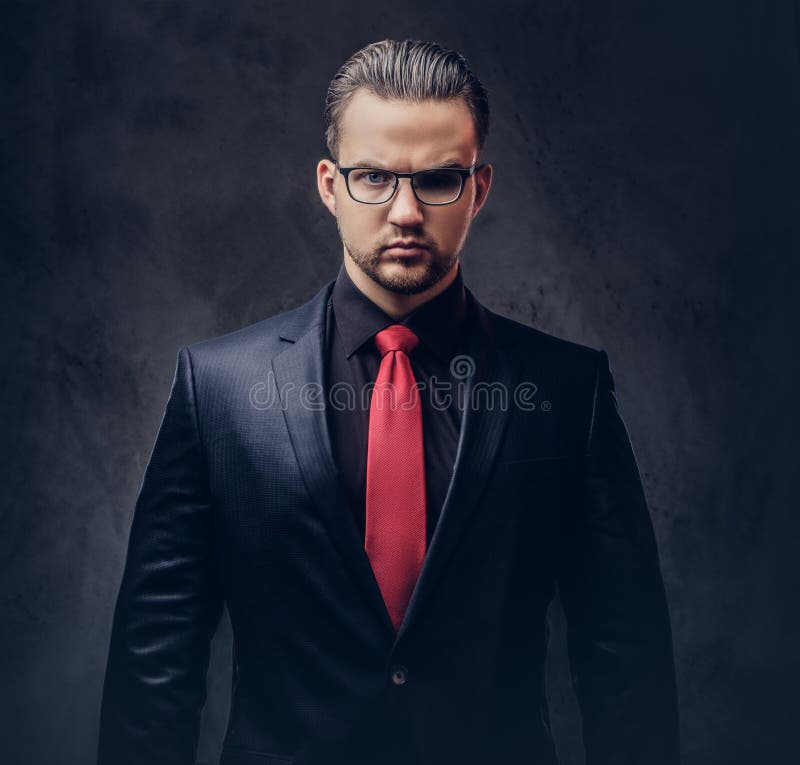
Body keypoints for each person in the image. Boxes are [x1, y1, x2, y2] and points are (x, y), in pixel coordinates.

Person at [97, 39, 680, 765]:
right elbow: (156, 668)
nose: (405, 212)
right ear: (329, 184)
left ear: (480, 187)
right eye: (373, 176)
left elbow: (625, 665)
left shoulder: (569, 391)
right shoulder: (215, 388)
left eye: (438, 179)